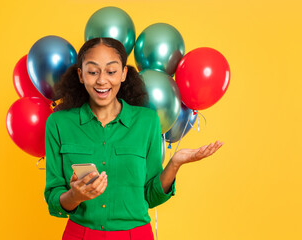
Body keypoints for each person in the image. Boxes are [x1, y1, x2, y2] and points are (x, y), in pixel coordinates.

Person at [44, 37, 223, 240]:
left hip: (135, 235)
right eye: (93, 72)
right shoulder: (58, 123)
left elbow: (150, 196)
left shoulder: (147, 122)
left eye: (111, 71)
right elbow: (53, 197)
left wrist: (175, 163)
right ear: (80, 74)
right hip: (81, 234)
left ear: (123, 73)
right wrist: (75, 196)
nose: (102, 80)